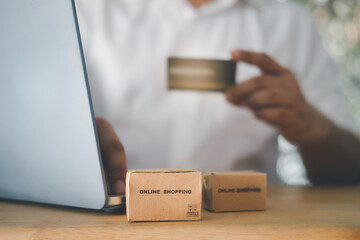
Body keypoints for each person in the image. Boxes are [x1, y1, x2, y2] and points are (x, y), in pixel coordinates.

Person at [76, 0, 360, 194]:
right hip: (115, 225)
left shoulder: (289, 24)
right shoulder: (89, 12)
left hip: (246, 228)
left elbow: (351, 172)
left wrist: (314, 128)